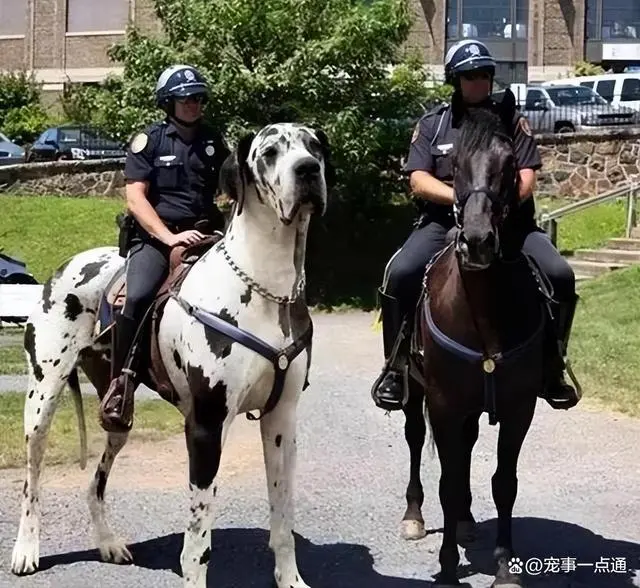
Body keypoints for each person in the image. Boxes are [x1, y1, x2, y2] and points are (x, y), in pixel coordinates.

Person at [371, 39, 581, 413]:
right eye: (470, 75)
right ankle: (396, 367)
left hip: (509, 222)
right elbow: (418, 179)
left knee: (560, 275)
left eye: (485, 74)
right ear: (455, 79)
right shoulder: (434, 125)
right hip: (442, 222)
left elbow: (528, 177)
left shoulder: (511, 121)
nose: (480, 81)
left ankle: (553, 367)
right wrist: (465, 203)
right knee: (399, 273)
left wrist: (492, 208)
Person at [99, 64, 231, 433]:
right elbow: (135, 199)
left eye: (199, 97)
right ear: (168, 102)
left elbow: (233, 188)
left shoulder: (213, 141)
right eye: (186, 98)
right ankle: (120, 384)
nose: (193, 103)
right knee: (139, 296)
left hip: (206, 236)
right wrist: (169, 238)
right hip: (157, 240)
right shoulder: (149, 141)